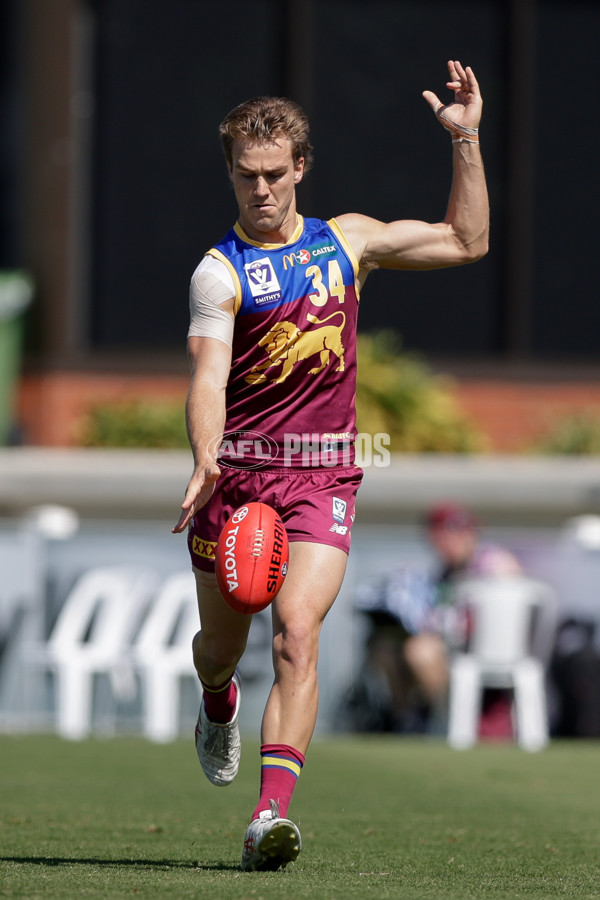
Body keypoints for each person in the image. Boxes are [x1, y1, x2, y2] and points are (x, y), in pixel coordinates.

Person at [172, 61, 489, 871]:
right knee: (220, 642)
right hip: (237, 478)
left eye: (276, 175)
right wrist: (207, 454)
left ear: (301, 167)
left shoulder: (345, 242)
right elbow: (208, 376)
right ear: (231, 173)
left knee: (297, 636)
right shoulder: (220, 272)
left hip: (323, 477)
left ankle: (268, 817)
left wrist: (466, 140)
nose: (262, 191)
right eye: (246, 176)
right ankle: (216, 701)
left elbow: (466, 241)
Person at [354, 501, 522, 735]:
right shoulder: (443, 573)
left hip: (489, 652)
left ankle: (447, 720)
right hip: (452, 649)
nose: (452, 540)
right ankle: (406, 721)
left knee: (420, 651)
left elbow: (505, 612)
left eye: (461, 532)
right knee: (385, 648)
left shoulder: (492, 562)